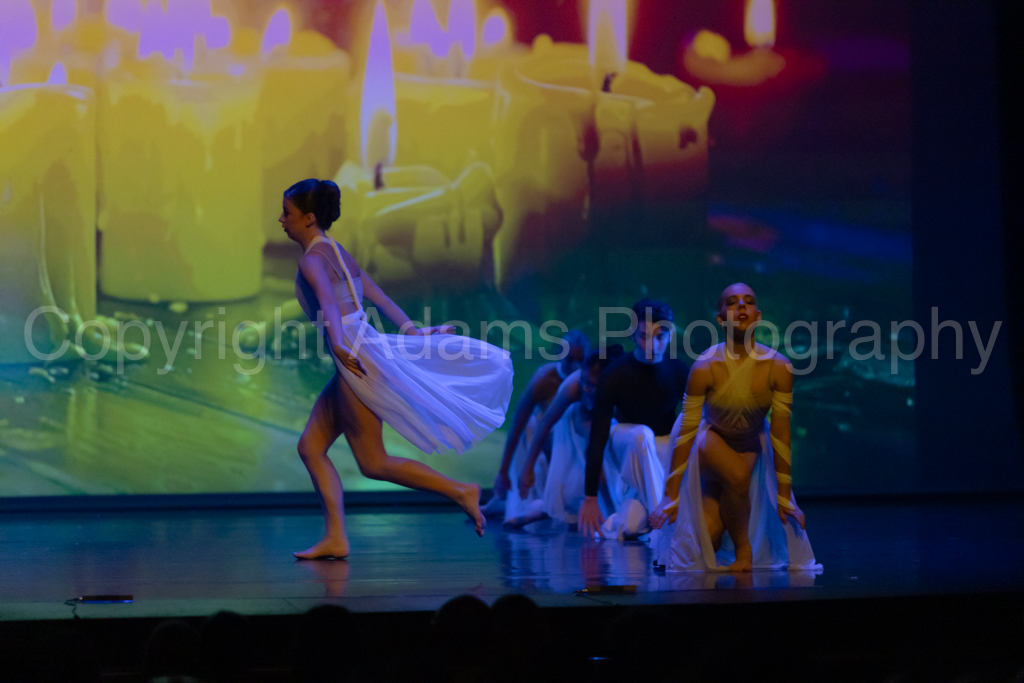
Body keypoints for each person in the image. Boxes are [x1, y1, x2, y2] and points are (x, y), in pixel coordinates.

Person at [283, 179, 514, 559]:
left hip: (355, 356)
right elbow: (376, 295)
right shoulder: (336, 251)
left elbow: (329, 303)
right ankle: (335, 537)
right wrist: (413, 331)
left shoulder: (312, 260)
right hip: (360, 349)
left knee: (373, 462)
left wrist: (339, 344)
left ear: (308, 218)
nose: (282, 220)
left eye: (287, 213)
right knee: (311, 446)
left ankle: (461, 490)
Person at [648, 283, 820, 572]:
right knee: (738, 476)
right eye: (732, 302)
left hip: (748, 444)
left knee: (708, 543)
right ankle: (744, 550)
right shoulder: (705, 366)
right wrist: (671, 493)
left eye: (748, 301)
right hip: (708, 438)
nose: (741, 306)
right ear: (720, 318)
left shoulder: (778, 367)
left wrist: (784, 494)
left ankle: (730, 539)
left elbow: (780, 433)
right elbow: (688, 428)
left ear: (758, 316)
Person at [578, 300, 689, 539]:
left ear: (670, 335)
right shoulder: (615, 375)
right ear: (632, 334)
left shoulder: (679, 371)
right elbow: (597, 439)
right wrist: (590, 497)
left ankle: (651, 516)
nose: (651, 346)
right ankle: (666, 532)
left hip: (664, 450)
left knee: (630, 526)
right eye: (643, 336)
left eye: (660, 337)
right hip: (627, 442)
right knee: (642, 435)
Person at [509, 345, 625, 528]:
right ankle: (612, 513)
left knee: (578, 490)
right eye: (584, 382)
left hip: (607, 420)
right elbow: (545, 424)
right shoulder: (572, 388)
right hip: (580, 420)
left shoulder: (620, 387)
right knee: (593, 456)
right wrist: (528, 468)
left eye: (593, 386)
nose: (586, 389)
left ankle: (541, 510)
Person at [484, 330, 589, 524]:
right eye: (570, 359)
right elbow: (518, 423)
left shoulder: (588, 380)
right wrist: (503, 471)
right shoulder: (545, 378)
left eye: (580, 360)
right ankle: (514, 504)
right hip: (544, 446)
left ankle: (509, 506)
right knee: (530, 425)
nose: (575, 366)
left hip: (575, 450)